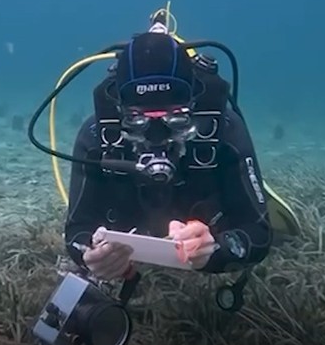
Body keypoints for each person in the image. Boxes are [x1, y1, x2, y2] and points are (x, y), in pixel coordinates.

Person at [62, 19, 273, 291]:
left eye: (175, 118)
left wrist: (217, 250)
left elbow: (259, 233)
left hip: (209, 222)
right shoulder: (96, 137)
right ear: (118, 109)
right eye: (137, 119)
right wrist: (90, 255)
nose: (156, 134)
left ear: (194, 105)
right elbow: (77, 229)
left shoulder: (224, 130)